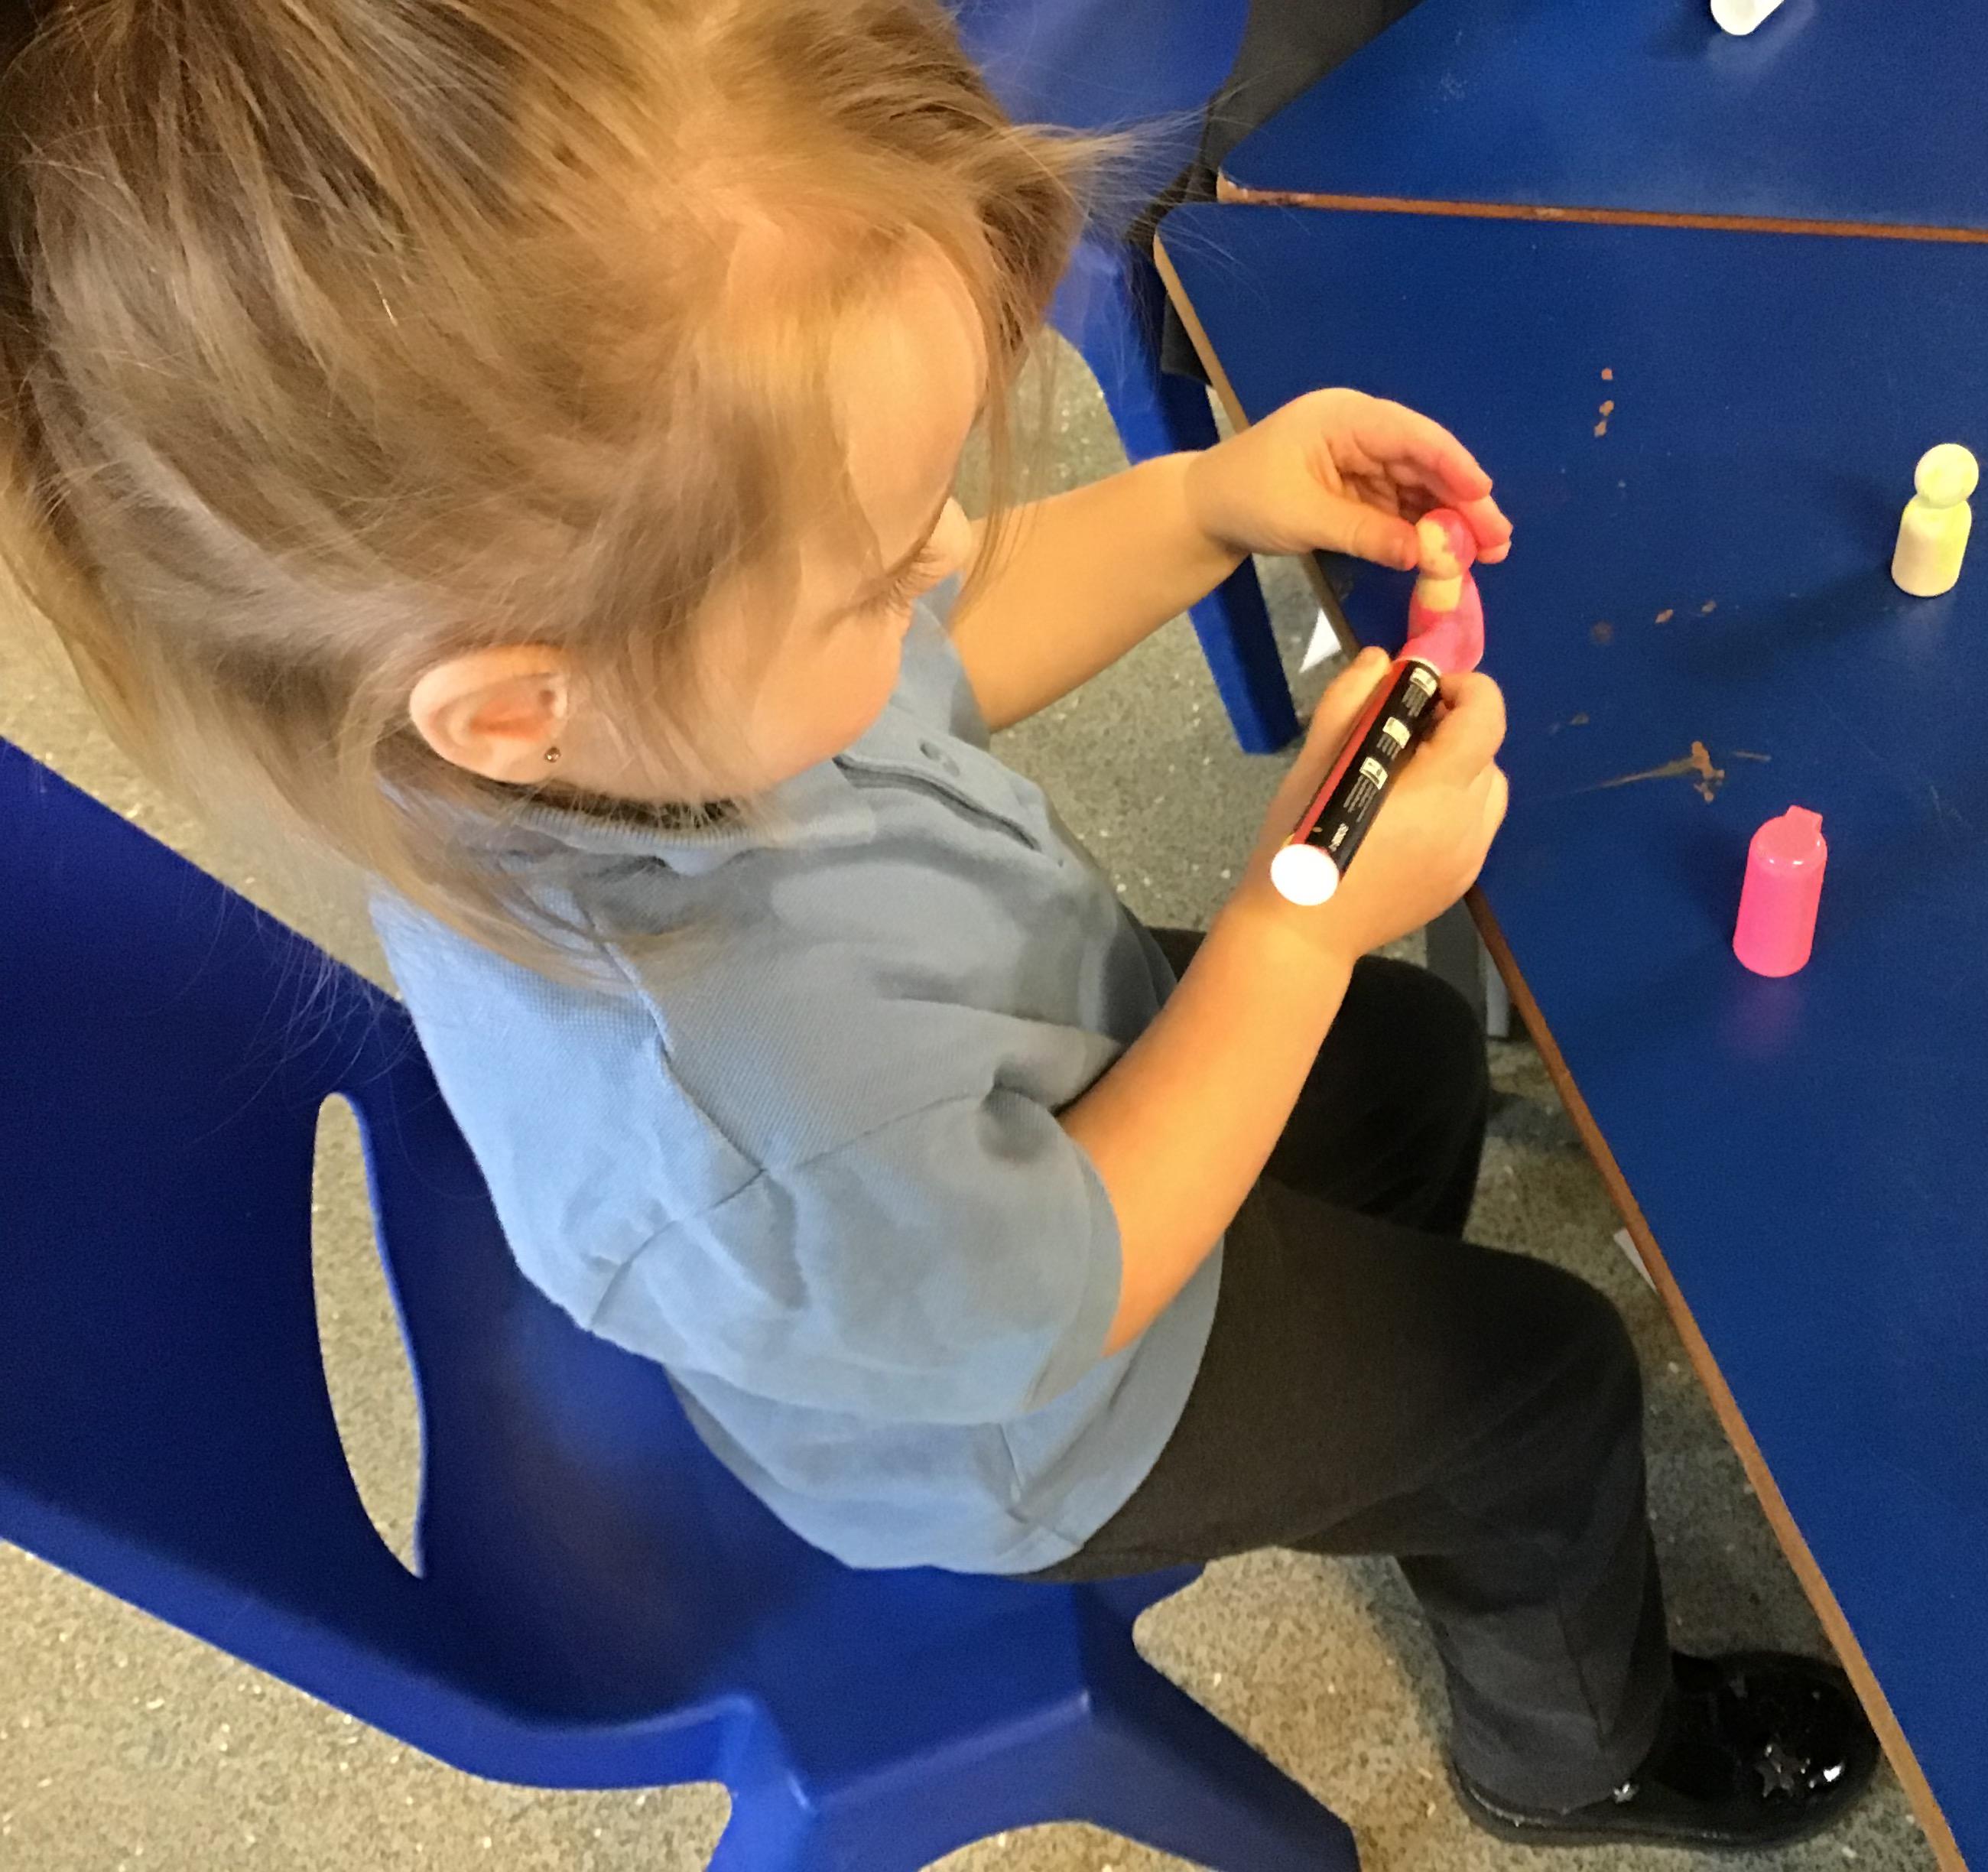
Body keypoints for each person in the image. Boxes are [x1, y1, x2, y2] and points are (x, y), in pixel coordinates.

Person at [0, 0, 1876, 1848]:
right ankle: (1575, 1756)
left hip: (1026, 1116)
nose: (950, 553)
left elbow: (946, 649)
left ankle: (1354, 1394)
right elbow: (1054, 1297)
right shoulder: (745, 1096)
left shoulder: (614, 701)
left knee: (1400, 1058)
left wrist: (1209, 502)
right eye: (879, 567)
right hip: (1038, 1398)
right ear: (517, 706)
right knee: (1538, 1383)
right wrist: (1297, 923)